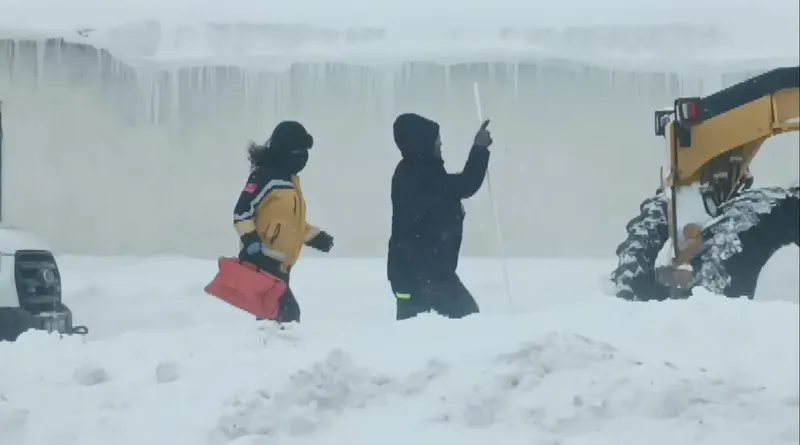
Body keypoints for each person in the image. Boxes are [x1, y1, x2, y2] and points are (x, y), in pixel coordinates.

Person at [387, 113, 493, 321]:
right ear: (422, 143)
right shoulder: (418, 175)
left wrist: (453, 212)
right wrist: (479, 148)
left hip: (416, 274)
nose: (440, 144)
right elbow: (467, 183)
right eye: (436, 140)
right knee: (468, 323)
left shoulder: (413, 171)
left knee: (458, 322)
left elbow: (437, 203)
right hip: (423, 277)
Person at [232, 121, 334, 323]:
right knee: (285, 316)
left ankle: (268, 342)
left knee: (278, 318)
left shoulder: (290, 182)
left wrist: (316, 237)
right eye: (300, 151)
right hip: (262, 261)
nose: (304, 157)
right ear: (286, 151)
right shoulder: (264, 178)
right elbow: (242, 212)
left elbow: (291, 224)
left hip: (282, 266)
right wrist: (251, 241)